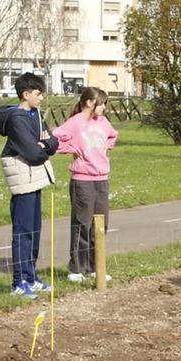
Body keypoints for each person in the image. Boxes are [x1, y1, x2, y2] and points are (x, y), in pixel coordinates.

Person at [0, 73, 60, 298]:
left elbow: (53, 141)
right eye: (38, 94)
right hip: (23, 180)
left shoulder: (36, 114)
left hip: (35, 179)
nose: (41, 98)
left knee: (35, 231)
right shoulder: (18, 119)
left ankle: (31, 276)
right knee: (23, 233)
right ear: (26, 94)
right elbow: (33, 153)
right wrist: (42, 146)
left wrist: (46, 143)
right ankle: (19, 282)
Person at [54, 86, 119, 283]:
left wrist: (106, 147)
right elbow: (55, 138)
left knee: (100, 225)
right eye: (102, 104)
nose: (104, 108)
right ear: (90, 102)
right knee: (82, 224)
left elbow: (112, 135)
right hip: (83, 180)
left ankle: (94, 266)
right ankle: (76, 267)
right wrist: (71, 148)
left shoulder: (103, 122)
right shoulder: (75, 122)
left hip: (101, 179)